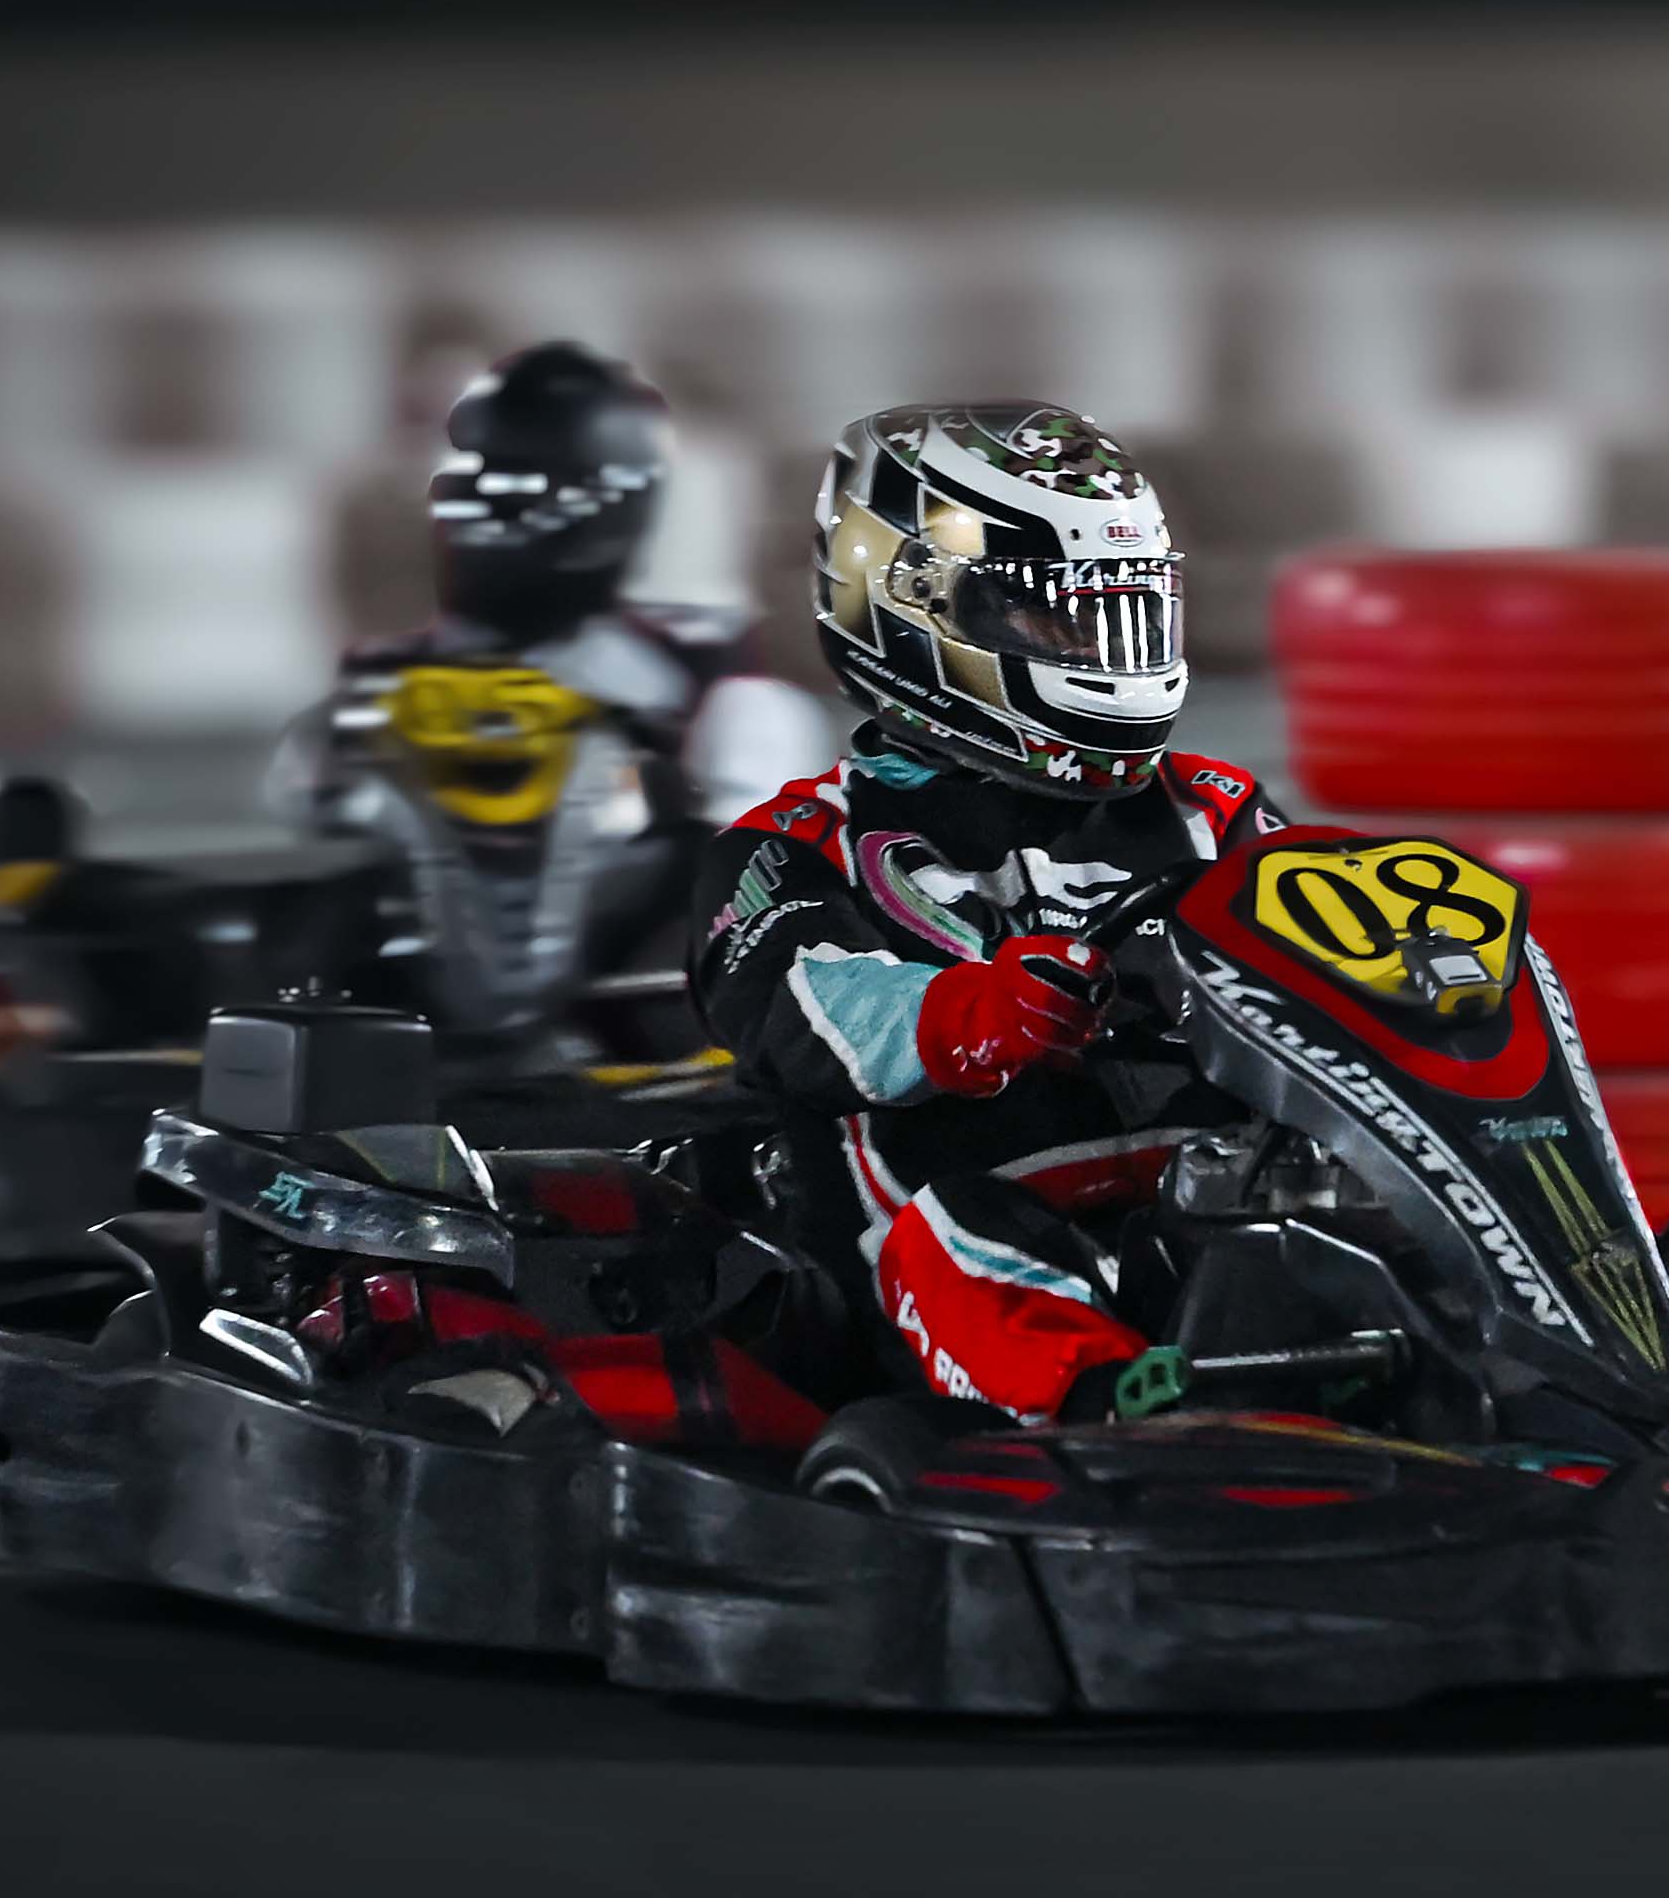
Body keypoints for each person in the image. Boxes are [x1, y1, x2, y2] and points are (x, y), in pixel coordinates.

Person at [690, 399, 1285, 1422]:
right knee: (960, 1228)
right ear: (909, 606)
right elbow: (815, 1010)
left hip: (1200, 1203)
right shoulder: (794, 845)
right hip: (934, 1256)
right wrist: (972, 1012)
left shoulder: (1213, 811)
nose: (1101, 644)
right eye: (1058, 614)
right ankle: (1117, 1427)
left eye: (1123, 608)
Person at [274, 339, 812, 1063]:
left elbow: (759, 900)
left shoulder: (716, 692)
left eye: (531, 485)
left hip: (644, 1062)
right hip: (418, 1060)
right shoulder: (365, 704)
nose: (501, 513)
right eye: (488, 481)